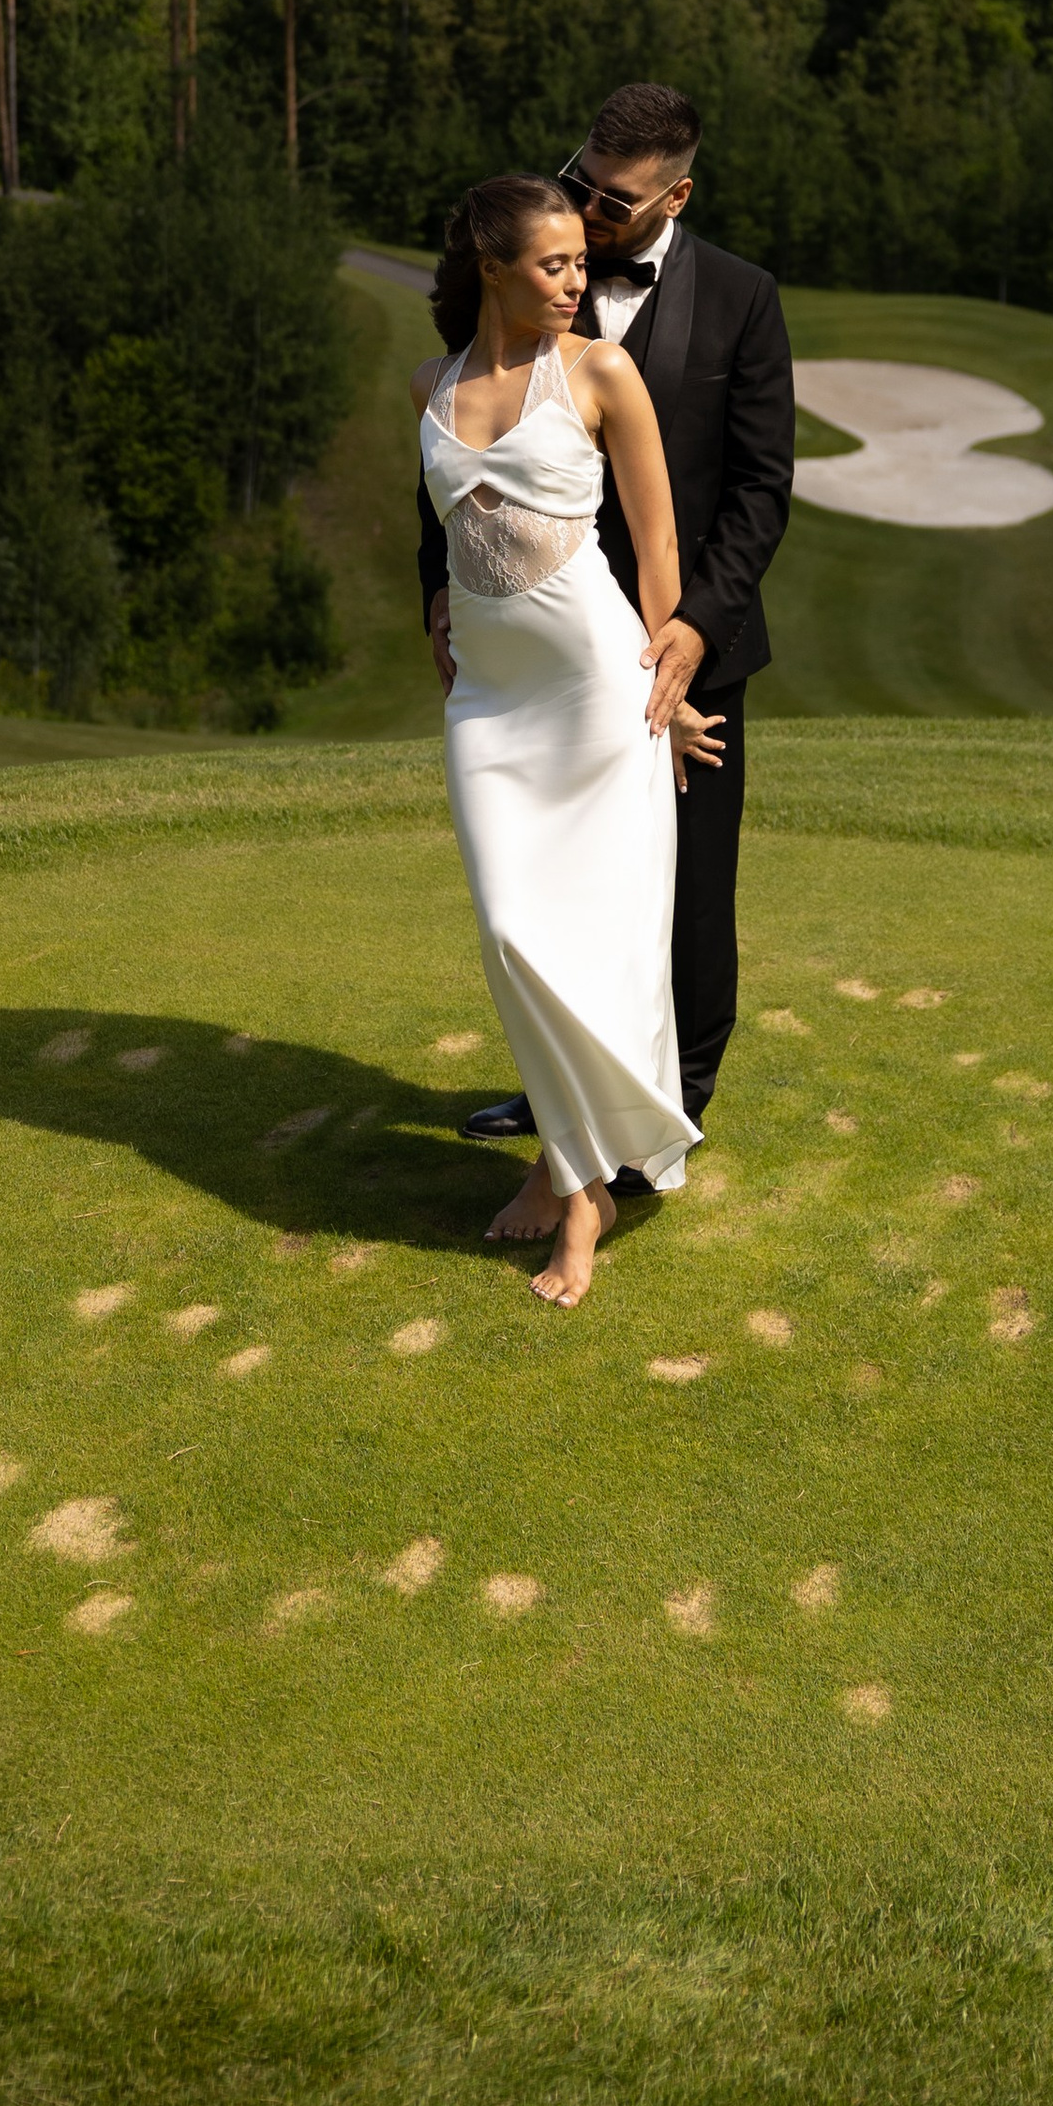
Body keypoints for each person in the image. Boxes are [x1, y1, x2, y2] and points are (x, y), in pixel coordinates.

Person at [420, 80, 795, 1181]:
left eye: (615, 202)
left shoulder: (742, 299)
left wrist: (693, 634)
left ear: (676, 194)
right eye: (579, 180)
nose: (586, 215)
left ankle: (665, 1118)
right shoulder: (533, 261)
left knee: (683, 900)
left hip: (673, 648)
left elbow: (762, 492)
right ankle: (564, 1105)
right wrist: (441, 586)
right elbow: (453, 438)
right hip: (530, 644)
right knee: (547, 889)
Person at [415, 172, 728, 1306]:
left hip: (600, 696)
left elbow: (656, 555)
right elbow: (456, 533)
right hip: (489, 709)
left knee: (599, 945)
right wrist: (445, 604)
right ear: (494, 267)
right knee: (510, 932)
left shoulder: (601, 371)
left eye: (580, 266)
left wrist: (672, 683)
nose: (572, 284)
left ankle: (577, 1188)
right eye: (551, 266)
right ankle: (570, 1160)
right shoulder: (430, 384)